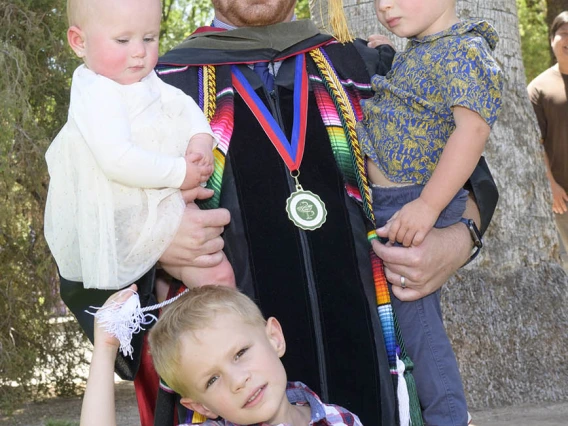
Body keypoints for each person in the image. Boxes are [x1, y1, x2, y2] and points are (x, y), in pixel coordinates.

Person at [58, 1, 499, 425]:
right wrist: (156, 241)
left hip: (379, 383)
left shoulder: (362, 66)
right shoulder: (152, 86)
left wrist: (459, 240)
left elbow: (467, 173)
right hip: (231, 398)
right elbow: (84, 231)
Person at [355, 1, 503, 425]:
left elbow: (471, 129)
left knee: (418, 323)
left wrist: (428, 205)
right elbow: (422, 103)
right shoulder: (426, 49)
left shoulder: (465, 50)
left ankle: (450, 418)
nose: (386, 6)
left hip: (414, 202)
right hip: (394, 202)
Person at [44, 0, 235, 291]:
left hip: (164, 203)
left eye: (149, 38)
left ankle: (224, 326)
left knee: (216, 277)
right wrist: (179, 172)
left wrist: (200, 139)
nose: (139, 51)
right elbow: (117, 160)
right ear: (79, 42)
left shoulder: (145, 79)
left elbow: (183, 104)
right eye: (122, 40)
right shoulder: (96, 94)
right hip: (129, 213)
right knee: (212, 275)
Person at [81, 285, 363, 426]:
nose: (238, 380)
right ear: (202, 407)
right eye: (212, 380)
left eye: (240, 353)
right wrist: (105, 352)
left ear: (274, 338)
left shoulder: (340, 419)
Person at [527, 11, 568, 270]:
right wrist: (551, 184)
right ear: (552, 39)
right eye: (563, 32)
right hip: (563, 196)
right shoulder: (539, 88)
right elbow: (535, 143)